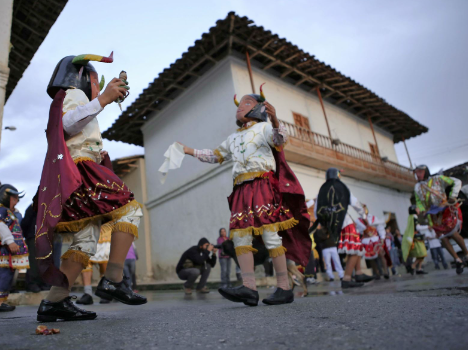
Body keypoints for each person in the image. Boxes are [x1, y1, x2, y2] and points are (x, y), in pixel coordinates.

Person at [35, 53, 146, 322]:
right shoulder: (75, 94)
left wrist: (102, 104)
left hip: (74, 173)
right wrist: (103, 100)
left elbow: (71, 130)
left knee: (84, 241)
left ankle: (54, 302)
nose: (98, 86)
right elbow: (66, 125)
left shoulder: (75, 99)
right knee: (130, 211)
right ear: (83, 78)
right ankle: (113, 279)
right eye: (96, 80)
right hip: (82, 170)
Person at [179, 85, 312, 306]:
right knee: (240, 236)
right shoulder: (233, 138)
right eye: (239, 104)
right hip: (241, 189)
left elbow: (279, 141)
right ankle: (249, 288)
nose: (240, 108)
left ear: (259, 109)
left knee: (270, 235)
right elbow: (215, 156)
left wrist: (276, 120)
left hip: (263, 185)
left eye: (246, 103)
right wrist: (189, 151)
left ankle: (284, 287)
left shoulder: (264, 129)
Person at [313, 168, 373, 288]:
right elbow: (355, 203)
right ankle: (346, 278)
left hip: (333, 226)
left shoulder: (322, 191)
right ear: (338, 176)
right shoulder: (342, 187)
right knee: (355, 249)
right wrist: (364, 216)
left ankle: (359, 273)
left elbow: (316, 211)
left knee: (357, 248)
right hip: (346, 223)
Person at [414, 165, 468, 274]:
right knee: (442, 237)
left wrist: (453, 195)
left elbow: (456, 182)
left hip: (446, 209)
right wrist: (422, 209)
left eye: (420, 172)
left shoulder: (438, 179)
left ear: (426, 172)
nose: (417, 175)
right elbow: (419, 201)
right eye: (416, 172)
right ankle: (457, 260)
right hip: (432, 215)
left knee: (452, 232)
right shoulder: (417, 187)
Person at [77, 225, 111, 305]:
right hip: (87, 232)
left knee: (104, 263)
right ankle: (87, 293)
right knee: (85, 262)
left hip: (105, 233)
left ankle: (105, 291)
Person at [21, 203, 46, 293]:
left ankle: (42, 283)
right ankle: (32, 283)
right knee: (34, 261)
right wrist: (28, 235)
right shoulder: (33, 206)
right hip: (34, 235)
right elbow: (25, 222)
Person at [402, 206, 428, 275]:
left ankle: (419, 268)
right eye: (417, 209)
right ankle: (413, 266)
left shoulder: (411, 217)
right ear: (414, 210)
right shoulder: (414, 217)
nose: (418, 210)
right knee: (422, 254)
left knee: (420, 254)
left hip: (417, 238)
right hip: (416, 238)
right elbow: (417, 227)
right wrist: (427, 227)